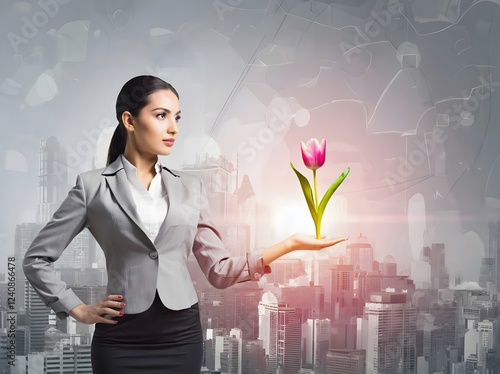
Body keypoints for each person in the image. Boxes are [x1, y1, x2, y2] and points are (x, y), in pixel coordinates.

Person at [23, 75, 348, 373]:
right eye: (161, 115)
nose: (173, 128)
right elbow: (36, 259)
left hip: (181, 338)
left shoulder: (191, 188)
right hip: (120, 341)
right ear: (129, 120)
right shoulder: (92, 186)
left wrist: (289, 244)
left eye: (177, 118)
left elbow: (219, 271)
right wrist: (77, 309)